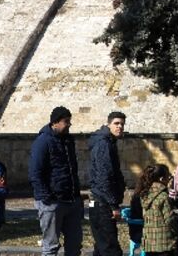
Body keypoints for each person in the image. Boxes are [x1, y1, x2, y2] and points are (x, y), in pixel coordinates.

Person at [29, 106, 83, 256]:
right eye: (66, 121)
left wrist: (76, 195)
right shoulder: (43, 142)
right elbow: (35, 172)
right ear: (55, 122)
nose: (69, 124)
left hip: (71, 201)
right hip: (52, 203)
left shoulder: (68, 141)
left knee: (74, 245)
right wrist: (46, 198)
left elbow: (71, 170)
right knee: (51, 247)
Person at [89, 111, 128, 256]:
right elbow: (104, 177)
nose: (120, 127)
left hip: (100, 202)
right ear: (108, 124)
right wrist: (113, 205)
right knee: (111, 249)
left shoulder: (108, 142)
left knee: (101, 247)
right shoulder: (104, 144)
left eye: (122, 124)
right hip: (102, 204)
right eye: (116, 123)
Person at [138, 164, 177, 256]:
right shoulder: (163, 196)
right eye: (168, 176)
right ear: (162, 179)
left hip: (149, 244)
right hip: (165, 244)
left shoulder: (145, 195)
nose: (170, 179)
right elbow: (170, 220)